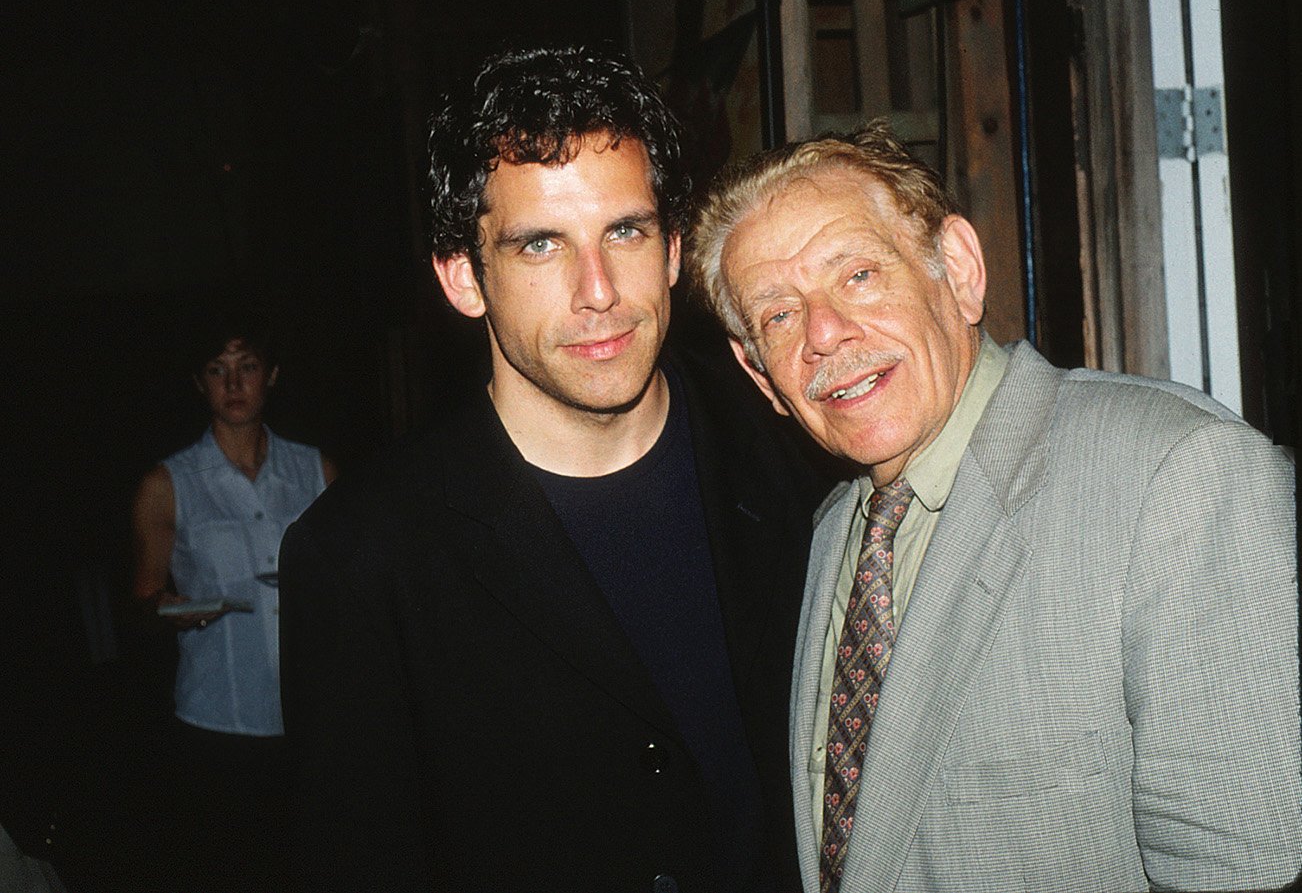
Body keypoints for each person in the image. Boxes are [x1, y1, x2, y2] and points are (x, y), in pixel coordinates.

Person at [688, 120, 1301, 893]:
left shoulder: (1174, 476)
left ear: (961, 269)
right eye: (778, 315)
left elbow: (1248, 871)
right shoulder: (830, 532)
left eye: (858, 276)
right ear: (758, 372)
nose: (823, 333)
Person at [277, 44, 828, 893]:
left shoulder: (795, 446)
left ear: (675, 250)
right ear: (465, 277)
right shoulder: (362, 559)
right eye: (540, 246)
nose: (598, 288)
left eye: (626, 230)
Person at [131, 308, 334, 890]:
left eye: (247, 367)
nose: (235, 384)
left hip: (309, 720)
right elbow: (144, 603)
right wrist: (174, 609)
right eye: (218, 371)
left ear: (271, 375)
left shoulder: (314, 470)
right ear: (201, 384)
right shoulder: (168, 484)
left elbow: (349, 587)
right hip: (216, 721)